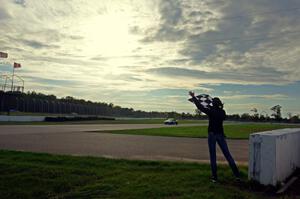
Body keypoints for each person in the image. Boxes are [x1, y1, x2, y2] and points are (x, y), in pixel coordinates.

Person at [189, 91, 240, 183]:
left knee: (213, 156)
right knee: (228, 155)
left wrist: (194, 97)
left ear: (213, 103)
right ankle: (237, 175)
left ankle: (214, 177)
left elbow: (200, 107)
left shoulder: (211, 111)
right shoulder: (222, 112)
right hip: (221, 134)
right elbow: (221, 118)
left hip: (212, 135)